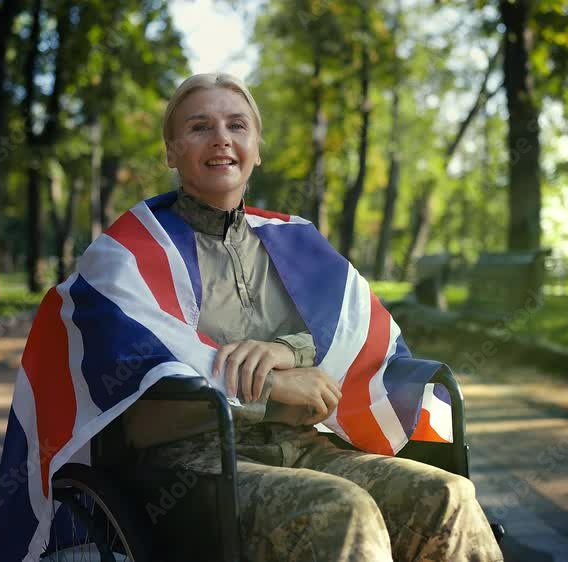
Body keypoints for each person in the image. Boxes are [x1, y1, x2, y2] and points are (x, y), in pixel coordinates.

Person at [122, 73, 504, 562]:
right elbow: (136, 364)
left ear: (257, 148)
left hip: (302, 444)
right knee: (342, 509)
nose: (221, 138)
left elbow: (354, 333)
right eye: (199, 127)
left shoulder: (296, 241)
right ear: (171, 151)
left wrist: (289, 351)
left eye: (237, 125)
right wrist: (273, 385)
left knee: (446, 495)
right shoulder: (130, 253)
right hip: (193, 463)